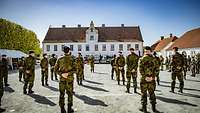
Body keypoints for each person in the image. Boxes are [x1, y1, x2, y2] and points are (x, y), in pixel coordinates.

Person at [54, 46, 75, 113]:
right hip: (70, 80)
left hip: (62, 80)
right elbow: (75, 69)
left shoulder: (59, 59)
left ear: (63, 51)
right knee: (70, 94)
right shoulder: (72, 58)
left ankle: (62, 109)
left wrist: (61, 74)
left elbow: (55, 70)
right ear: (69, 51)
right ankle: (69, 109)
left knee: (62, 94)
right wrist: (68, 73)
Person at [139, 46, 157, 113]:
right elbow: (157, 69)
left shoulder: (141, 59)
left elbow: (140, 70)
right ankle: (153, 108)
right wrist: (152, 77)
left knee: (143, 94)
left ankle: (144, 109)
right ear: (150, 51)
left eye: (145, 51)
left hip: (144, 79)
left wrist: (145, 77)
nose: (145, 52)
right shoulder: (154, 59)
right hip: (152, 79)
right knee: (152, 93)